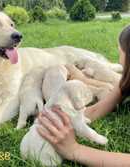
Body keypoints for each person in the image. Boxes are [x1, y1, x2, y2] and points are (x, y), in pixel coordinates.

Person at [37, 25, 130, 167]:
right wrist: (58, 118)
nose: (119, 59)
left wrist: (75, 150)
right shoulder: (127, 80)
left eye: (120, 51)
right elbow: (96, 110)